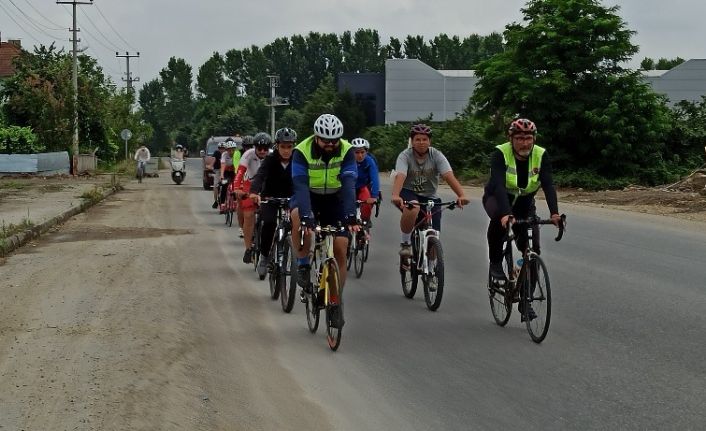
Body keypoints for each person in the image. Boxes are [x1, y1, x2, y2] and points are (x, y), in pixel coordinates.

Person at [483, 118, 561, 321]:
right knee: (498, 221)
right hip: (498, 198)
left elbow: (548, 185)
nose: (524, 143)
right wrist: (505, 213)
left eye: (528, 138)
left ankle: (526, 301)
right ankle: (495, 262)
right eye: (519, 138)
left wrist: (554, 213)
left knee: (531, 251)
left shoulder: (541, 155)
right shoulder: (500, 153)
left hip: (525, 203)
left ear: (534, 138)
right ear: (511, 139)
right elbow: (498, 185)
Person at [291, 114, 358, 326]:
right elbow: (300, 186)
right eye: (325, 140)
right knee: (297, 217)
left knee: (341, 246)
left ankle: (336, 301)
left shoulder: (347, 150)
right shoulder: (301, 151)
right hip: (309, 196)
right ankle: (303, 263)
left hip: (335, 199)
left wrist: (351, 215)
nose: (330, 144)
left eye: (334, 140)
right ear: (316, 137)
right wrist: (306, 216)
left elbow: (349, 184)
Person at [390, 124, 469, 257]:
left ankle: (431, 266)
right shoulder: (405, 156)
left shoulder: (436, 155)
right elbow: (401, 176)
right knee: (413, 207)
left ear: (429, 141)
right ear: (412, 141)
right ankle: (406, 243)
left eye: (424, 139)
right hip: (408, 192)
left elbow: (448, 176)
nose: (421, 142)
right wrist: (396, 195)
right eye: (418, 139)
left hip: (430, 196)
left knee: (434, 238)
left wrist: (461, 195)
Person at [249, 127, 297, 277]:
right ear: (277, 146)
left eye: (289, 147)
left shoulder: (298, 159)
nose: (286, 151)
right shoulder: (270, 159)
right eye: (283, 147)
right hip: (270, 197)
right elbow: (260, 176)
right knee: (269, 223)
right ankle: (264, 257)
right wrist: (254, 192)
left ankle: (297, 256)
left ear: (294, 146)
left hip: (291, 198)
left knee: (298, 223)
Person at [235, 132, 271, 263]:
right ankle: (248, 248)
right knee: (249, 215)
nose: (262, 151)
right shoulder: (248, 154)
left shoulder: (273, 155)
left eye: (265, 149)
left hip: (267, 185)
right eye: (259, 148)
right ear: (254, 147)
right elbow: (240, 173)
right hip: (250, 185)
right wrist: (237, 188)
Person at [351, 138, 380, 227]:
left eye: (362, 152)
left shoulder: (369, 160)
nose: (360, 155)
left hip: (362, 187)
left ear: (366, 152)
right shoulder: (347, 160)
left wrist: (374, 196)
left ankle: (366, 221)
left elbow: (375, 178)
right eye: (357, 152)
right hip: (349, 187)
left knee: (367, 201)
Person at [219, 138, 240, 213]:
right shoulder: (224, 154)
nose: (231, 152)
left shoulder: (237, 154)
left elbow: (237, 166)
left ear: (235, 149)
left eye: (232, 150)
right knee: (224, 185)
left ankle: (235, 201)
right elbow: (223, 165)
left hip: (234, 171)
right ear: (226, 150)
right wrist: (222, 175)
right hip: (226, 172)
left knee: (235, 186)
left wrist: (237, 176)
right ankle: (222, 204)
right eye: (229, 150)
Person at [211, 141, 225, 208]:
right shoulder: (216, 153)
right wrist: (211, 165)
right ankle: (216, 201)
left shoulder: (227, 154)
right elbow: (213, 160)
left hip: (225, 171)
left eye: (223, 148)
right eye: (220, 148)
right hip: (218, 171)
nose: (221, 149)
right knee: (215, 186)